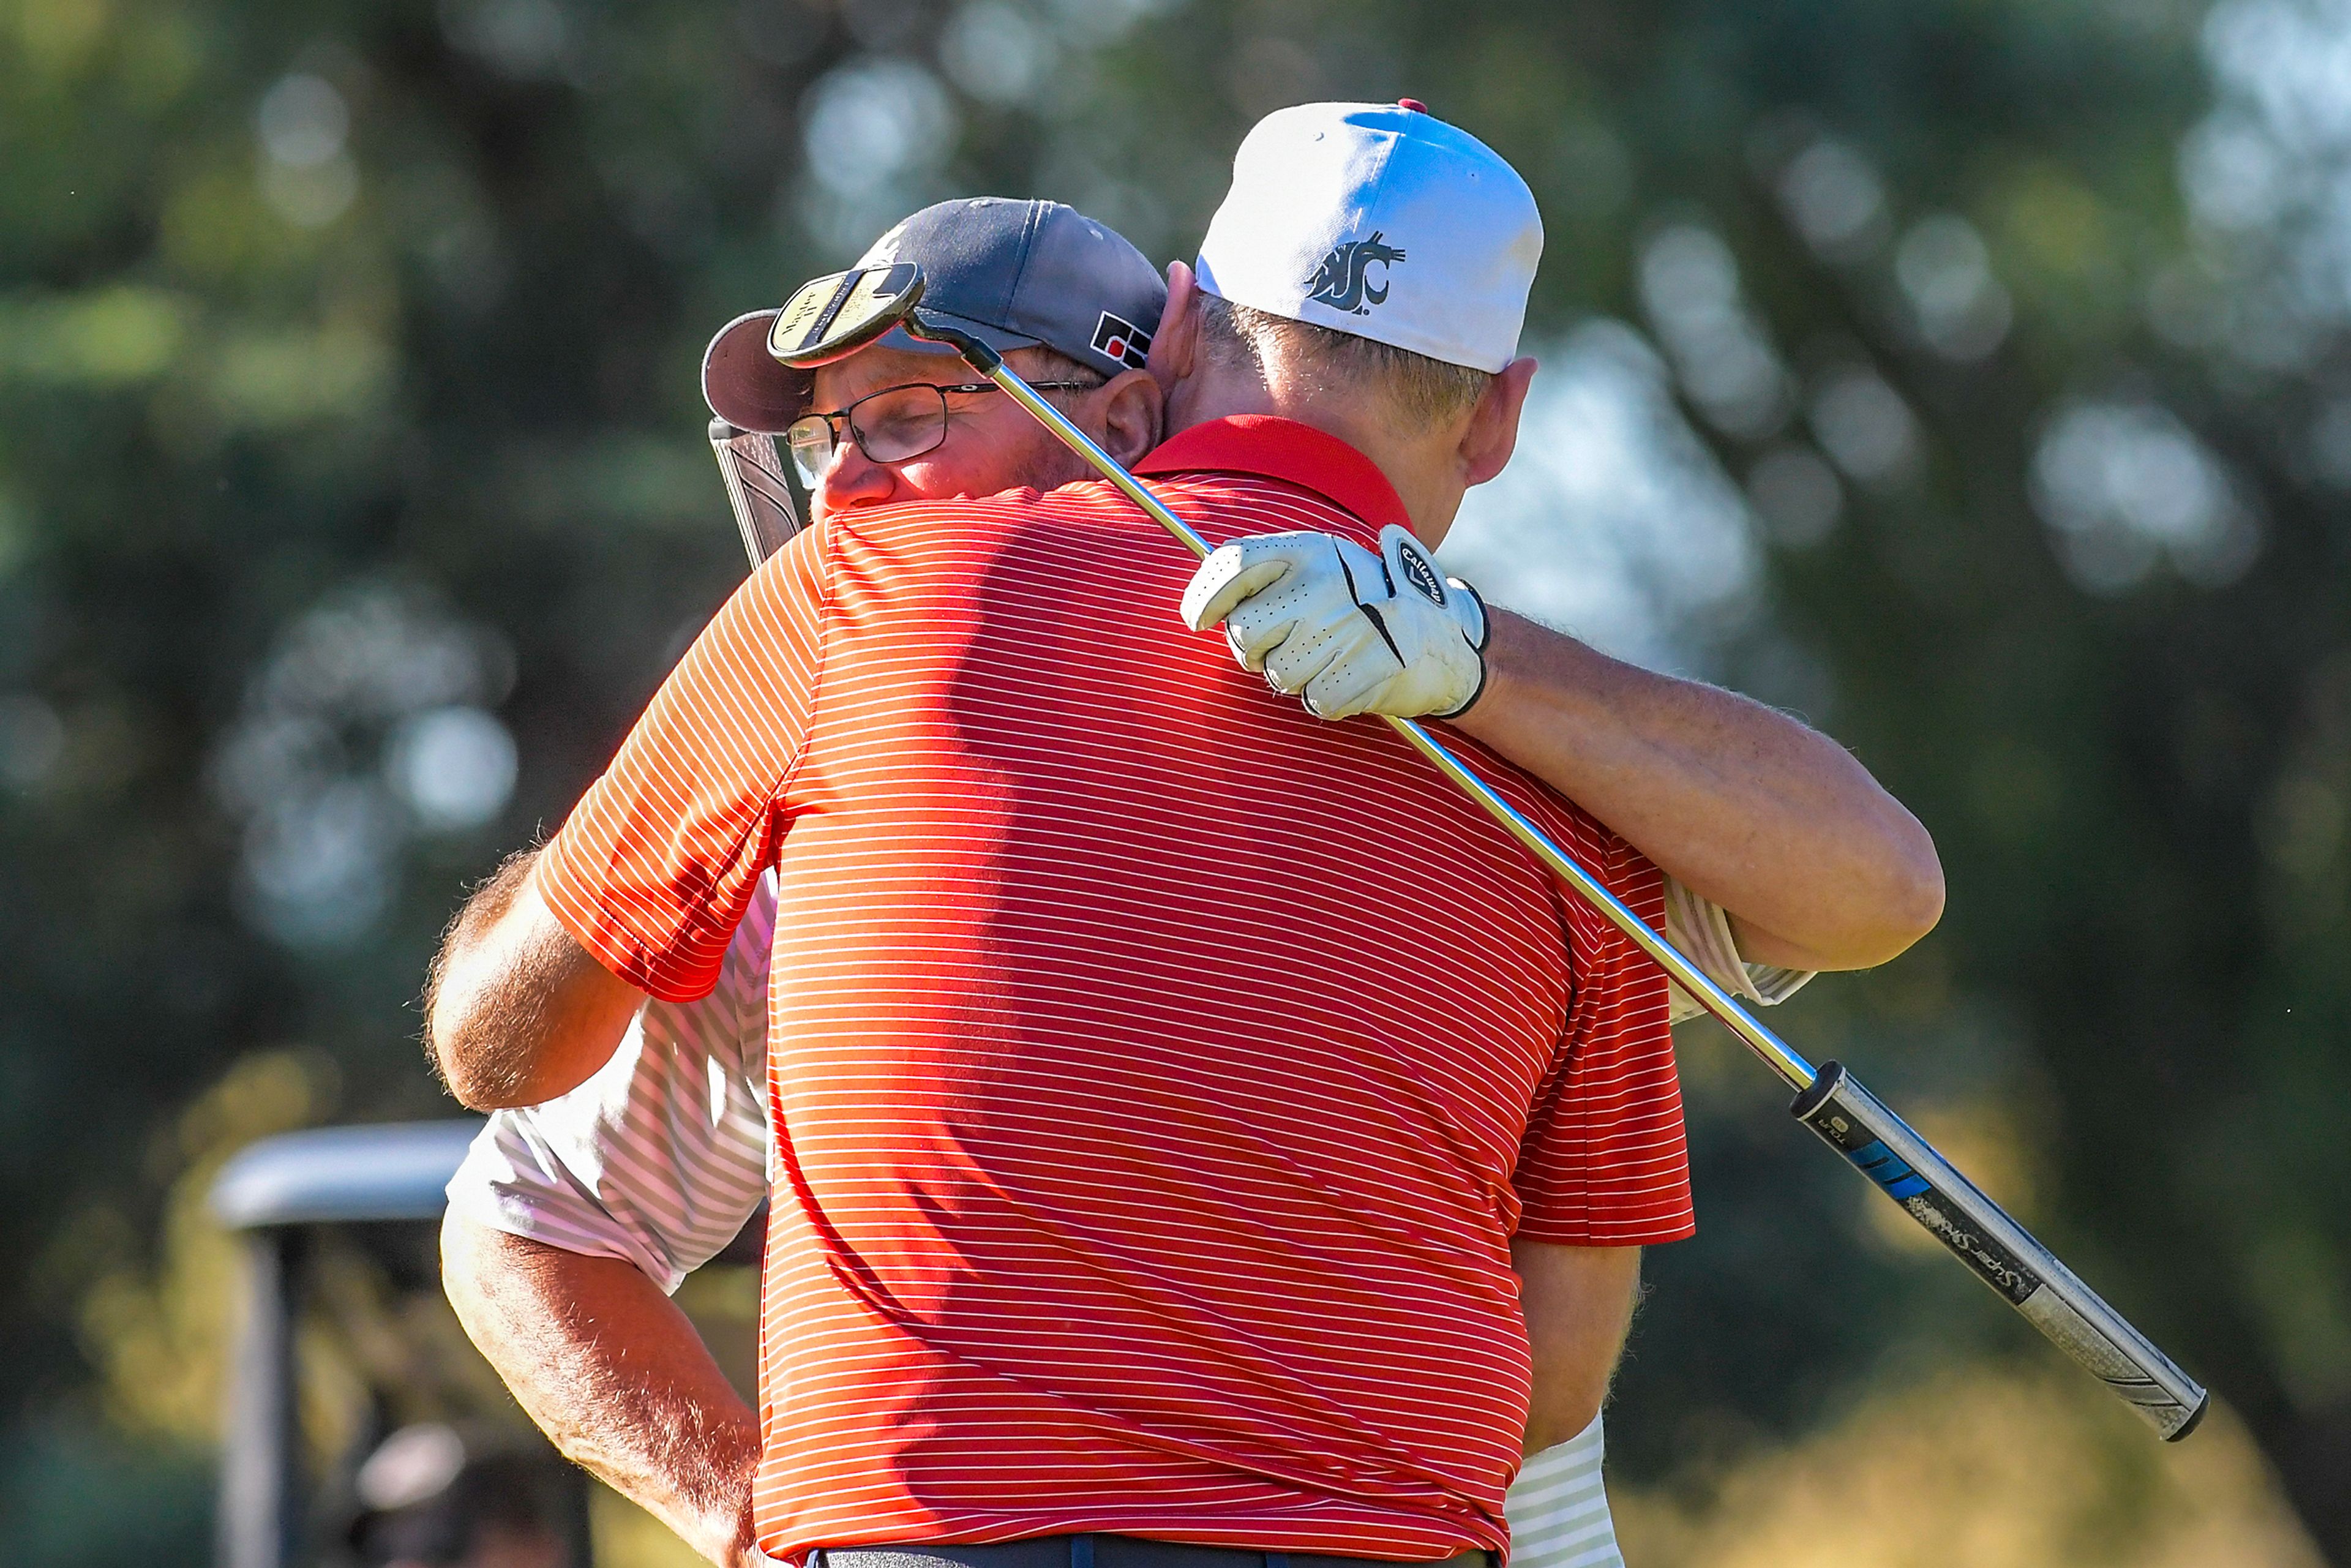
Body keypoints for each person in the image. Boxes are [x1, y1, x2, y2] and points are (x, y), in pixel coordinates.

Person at [433, 105, 1940, 1568]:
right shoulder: (1577, 787)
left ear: (1153, 357)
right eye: (830, 440)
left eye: (904, 421)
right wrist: (1482, 662)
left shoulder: (849, 616)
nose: (847, 492)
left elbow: (496, 1065)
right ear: (1498, 413)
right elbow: (1560, 1357)